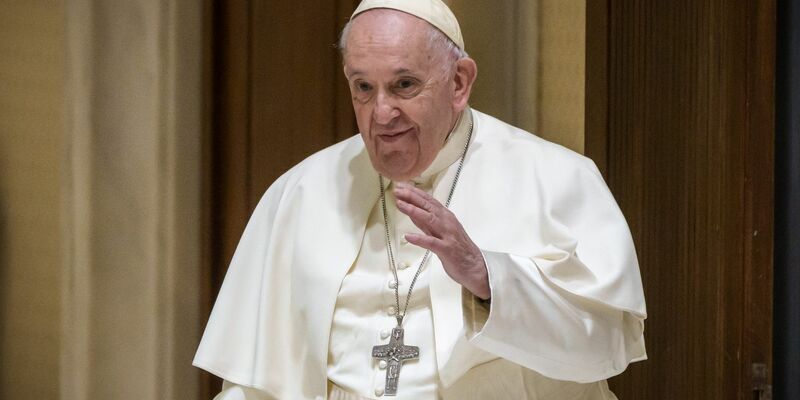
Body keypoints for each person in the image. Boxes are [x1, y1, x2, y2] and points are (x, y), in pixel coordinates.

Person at [194, 0, 647, 399]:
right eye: (363, 87)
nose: (381, 114)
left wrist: (489, 277)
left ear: (459, 83)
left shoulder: (557, 179)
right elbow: (253, 384)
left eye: (404, 85)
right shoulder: (300, 192)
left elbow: (604, 351)